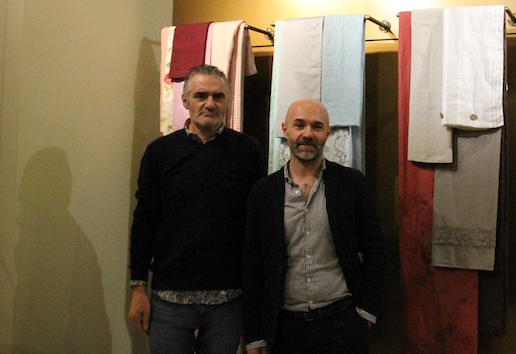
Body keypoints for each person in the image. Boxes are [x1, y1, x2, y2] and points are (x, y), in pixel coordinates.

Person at [128, 64, 265, 354]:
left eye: (218, 96)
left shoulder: (248, 151)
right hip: (169, 301)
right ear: (185, 101)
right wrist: (138, 287)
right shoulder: (159, 153)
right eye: (201, 96)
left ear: (227, 101)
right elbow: (144, 222)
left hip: (228, 302)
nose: (210, 103)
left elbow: (257, 226)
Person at [242, 98, 386, 354]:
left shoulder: (352, 184)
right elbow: (252, 265)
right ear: (285, 130)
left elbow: (375, 250)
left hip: (343, 324)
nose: (307, 134)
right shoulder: (262, 193)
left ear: (327, 134)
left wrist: (367, 312)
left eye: (317, 126)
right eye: (299, 125)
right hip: (284, 329)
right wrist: (255, 337)